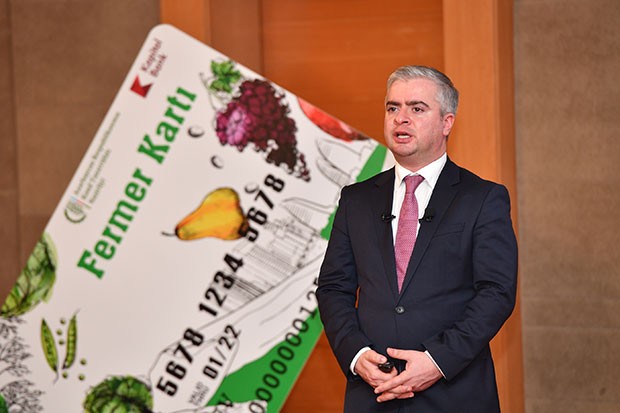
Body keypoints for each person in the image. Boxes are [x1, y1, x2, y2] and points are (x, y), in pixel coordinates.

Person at [316, 65, 518, 412]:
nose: (401, 118)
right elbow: (334, 287)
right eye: (393, 107)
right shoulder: (356, 200)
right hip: (374, 394)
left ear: (447, 122)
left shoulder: (483, 198)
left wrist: (437, 361)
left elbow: (496, 292)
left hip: (454, 394)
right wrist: (357, 354)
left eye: (417, 108)